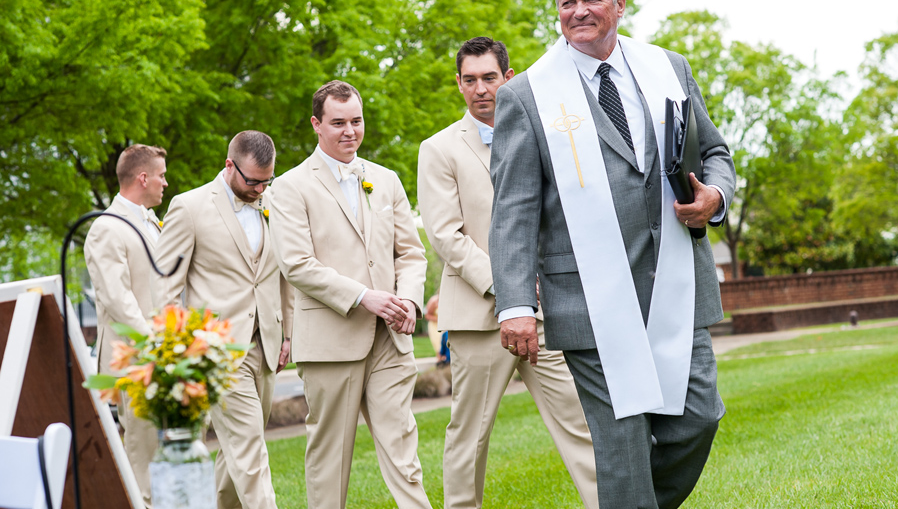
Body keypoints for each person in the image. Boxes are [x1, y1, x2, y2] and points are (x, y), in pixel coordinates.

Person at [489, 0, 736, 509]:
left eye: (591, 0)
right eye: (566, 3)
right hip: (587, 297)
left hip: (676, 284)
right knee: (622, 446)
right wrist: (514, 305)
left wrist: (714, 196)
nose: (578, 12)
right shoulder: (527, 96)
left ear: (620, 5)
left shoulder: (668, 69)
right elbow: (514, 209)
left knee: (698, 417)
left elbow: (714, 151)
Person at [418, 37, 598, 509]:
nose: (481, 89)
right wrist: (512, 287)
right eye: (470, 80)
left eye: (489, 77)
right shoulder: (438, 150)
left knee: (581, 424)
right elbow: (446, 235)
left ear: (509, 77)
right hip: (480, 316)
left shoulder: (545, 136)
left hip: (549, 312)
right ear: (458, 84)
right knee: (469, 436)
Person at [269, 80, 432, 509]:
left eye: (356, 121)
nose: (350, 131)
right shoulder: (289, 187)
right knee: (330, 459)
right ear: (316, 124)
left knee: (403, 450)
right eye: (338, 122)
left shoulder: (386, 179)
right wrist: (365, 296)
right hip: (330, 341)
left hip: (390, 340)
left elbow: (411, 254)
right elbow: (297, 264)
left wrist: (409, 301)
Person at [154, 131, 293, 509]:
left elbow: (282, 273)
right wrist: (176, 352)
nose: (261, 188)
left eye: (268, 180)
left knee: (238, 452)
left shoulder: (273, 202)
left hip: (264, 345)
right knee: (250, 450)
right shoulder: (189, 207)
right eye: (253, 180)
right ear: (229, 165)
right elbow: (166, 287)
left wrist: (287, 335)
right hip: (215, 352)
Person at [85, 144, 168, 508]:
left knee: (165, 453)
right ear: (143, 177)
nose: (166, 183)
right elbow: (118, 300)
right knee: (143, 454)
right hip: (135, 356)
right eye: (162, 175)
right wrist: (155, 344)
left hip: (163, 356)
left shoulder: (150, 220)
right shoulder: (107, 227)